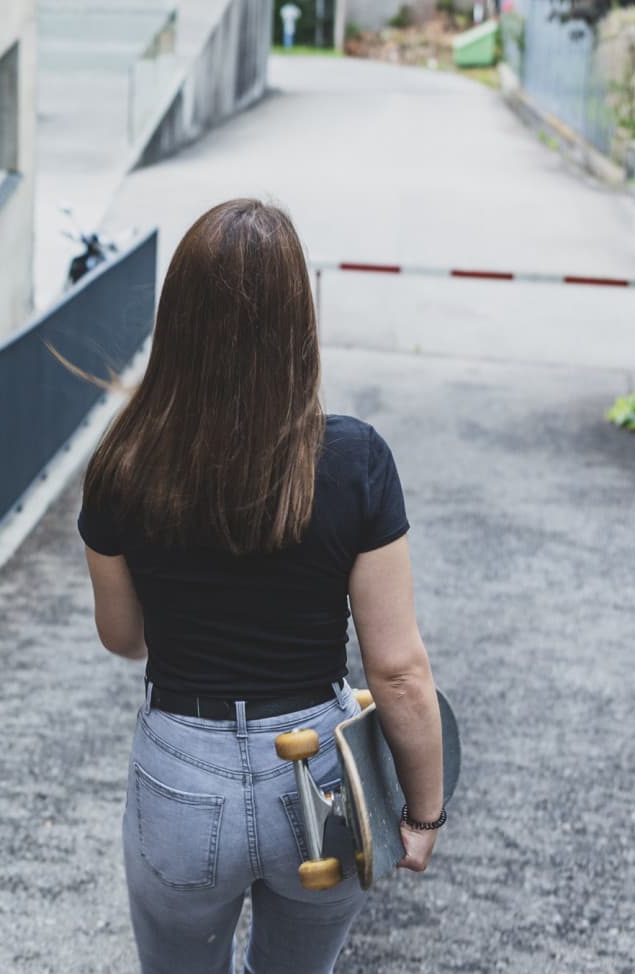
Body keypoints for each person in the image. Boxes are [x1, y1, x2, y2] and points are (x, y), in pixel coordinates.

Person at [77, 199, 446, 973]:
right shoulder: (354, 462)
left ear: (178, 321)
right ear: (297, 321)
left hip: (180, 772)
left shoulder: (123, 466)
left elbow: (123, 638)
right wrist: (423, 813)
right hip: (320, 776)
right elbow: (398, 672)